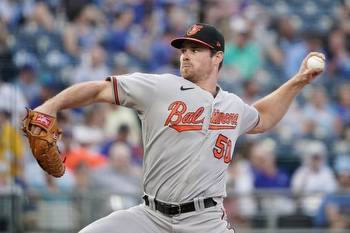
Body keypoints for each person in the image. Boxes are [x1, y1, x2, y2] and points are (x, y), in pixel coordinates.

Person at [31, 23, 324, 233]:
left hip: (205, 221)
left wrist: (298, 80)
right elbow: (98, 90)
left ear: (218, 57)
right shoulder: (161, 87)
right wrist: (51, 106)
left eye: (196, 49)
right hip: (150, 217)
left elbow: (263, 117)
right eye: (184, 48)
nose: (186, 54)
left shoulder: (233, 105)